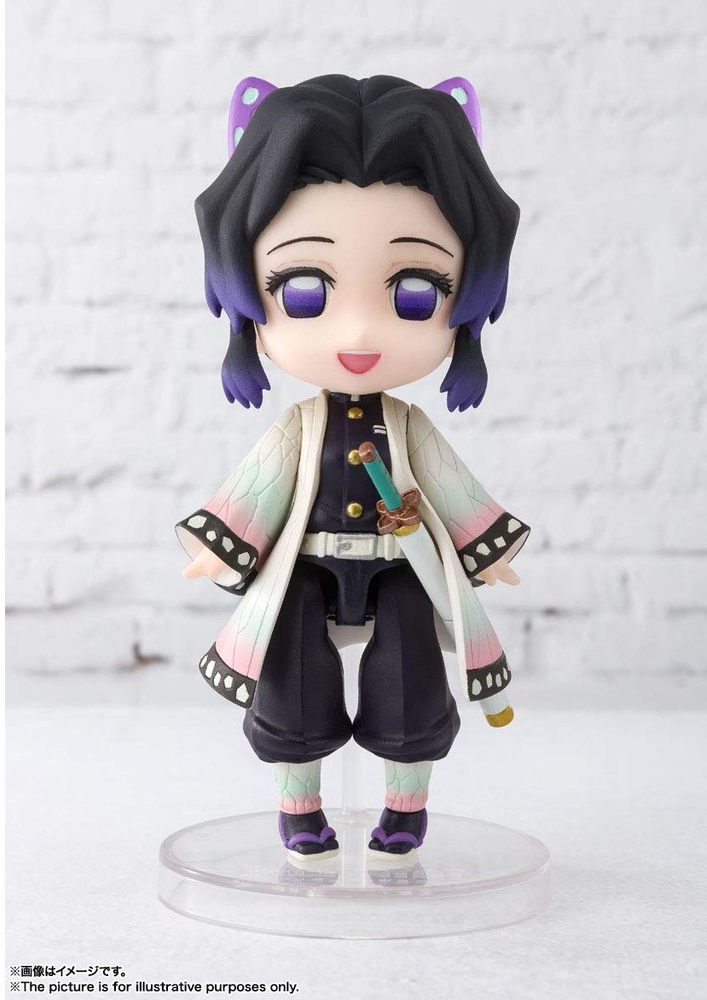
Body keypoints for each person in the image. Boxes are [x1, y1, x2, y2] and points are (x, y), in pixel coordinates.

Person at [176, 74, 530, 860]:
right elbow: (259, 486)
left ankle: (405, 806)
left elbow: (453, 489)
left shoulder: (408, 426)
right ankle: (299, 807)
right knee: (291, 682)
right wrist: (220, 543)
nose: (360, 333)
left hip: (400, 566)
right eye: (304, 292)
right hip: (306, 567)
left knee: (411, 680)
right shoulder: (299, 427)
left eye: (415, 294)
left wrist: (485, 549)